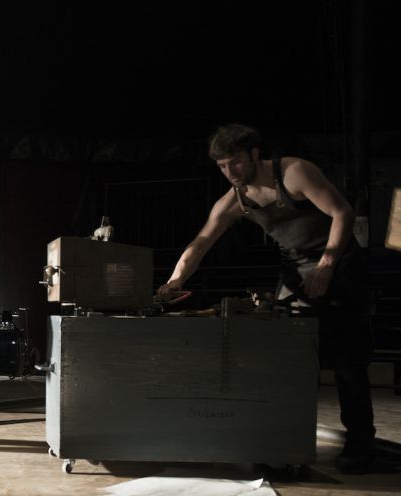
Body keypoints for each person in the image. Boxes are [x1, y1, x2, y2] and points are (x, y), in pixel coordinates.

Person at [157, 123, 375, 473]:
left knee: (348, 360)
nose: (230, 172)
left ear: (255, 154)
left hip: (339, 262)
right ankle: (282, 441)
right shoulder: (234, 200)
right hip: (295, 269)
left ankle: (361, 445)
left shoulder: (294, 173)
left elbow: (342, 212)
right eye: (222, 166)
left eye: (236, 162)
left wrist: (326, 267)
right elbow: (201, 243)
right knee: (284, 354)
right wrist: (173, 282)